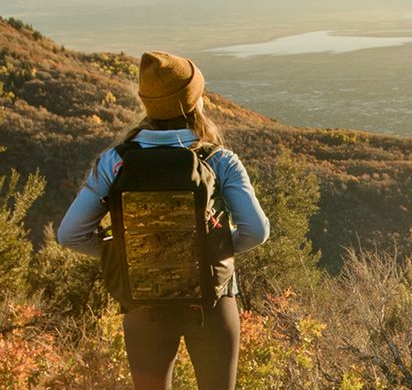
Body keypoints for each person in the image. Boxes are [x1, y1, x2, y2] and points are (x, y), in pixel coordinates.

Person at [57, 50, 270, 390]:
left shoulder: (116, 161)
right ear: (194, 101)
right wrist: (208, 252)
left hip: (144, 307)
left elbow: (70, 235)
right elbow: (257, 231)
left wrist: (133, 256)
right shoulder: (219, 160)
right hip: (211, 305)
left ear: (148, 103)